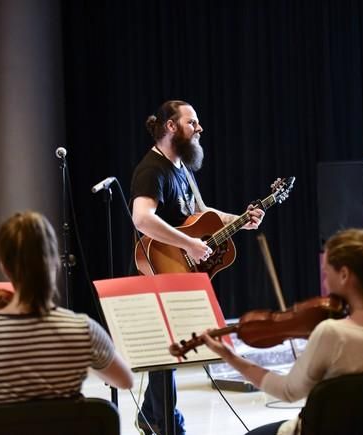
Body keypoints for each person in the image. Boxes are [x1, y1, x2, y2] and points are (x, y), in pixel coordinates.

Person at [130, 100, 265, 434]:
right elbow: (142, 219)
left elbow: (203, 214)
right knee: (170, 352)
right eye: (192, 122)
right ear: (171, 127)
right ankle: (165, 423)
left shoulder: (181, 169)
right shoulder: (152, 169)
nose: (199, 128)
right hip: (162, 267)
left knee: (173, 351)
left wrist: (241, 220)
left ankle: (150, 416)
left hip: (182, 270)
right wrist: (188, 244)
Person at [202, 229, 363, 435]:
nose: (324, 281)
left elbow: (287, 391)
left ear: (344, 274)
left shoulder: (332, 333)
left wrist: (229, 356)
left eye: (326, 273)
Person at [0, 211, 134, 417]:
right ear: (54, 262)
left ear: (4, 268)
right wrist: (85, 353)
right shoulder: (82, 330)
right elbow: (126, 381)